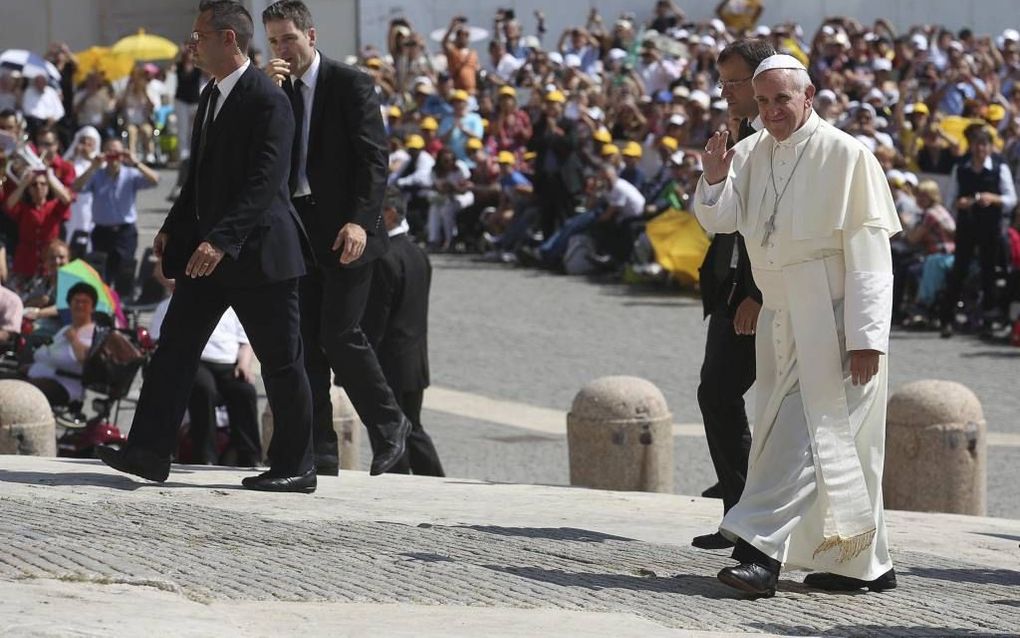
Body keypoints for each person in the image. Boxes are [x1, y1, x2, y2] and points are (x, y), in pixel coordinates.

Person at [694, 54, 900, 597]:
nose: (770, 112)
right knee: (834, 444)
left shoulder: (847, 155)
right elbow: (723, 220)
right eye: (761, 102)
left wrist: (866, 336)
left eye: (781, 99)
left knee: (799, 440)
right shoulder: (752, 151)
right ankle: (864, 564)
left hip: (829, 318)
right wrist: (714, 180)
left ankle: (758, 554)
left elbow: (871, 255)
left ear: (809, 96)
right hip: (779, 318)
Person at [98, 0, 317, 494]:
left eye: (199, 35)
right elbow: (197, 179)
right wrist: (173, 226)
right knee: (174, 348)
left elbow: (265, 182)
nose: (190, 44)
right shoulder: (210, 93)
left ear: (229, 40)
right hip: (208, 254)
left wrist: (222, 239)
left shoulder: (267, 97)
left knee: (282, 363)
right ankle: (147, 453)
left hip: (259, 255)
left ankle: (296, 466)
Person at [261, 0, 410, 477]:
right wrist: (264, 96)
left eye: (289, 38)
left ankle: (390, 427)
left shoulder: (350, 84)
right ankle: (319, 448)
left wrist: (360, 222)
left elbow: (374, 160)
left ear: (311, 35)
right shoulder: (273, 90)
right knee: (303, 342)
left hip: (348, 230)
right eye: (273, 41)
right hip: (297, 228)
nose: (282, 49)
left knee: (339, 334)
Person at [691, 39, 774, 552]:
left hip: (760, 293)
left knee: (745, 401)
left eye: (734, 82)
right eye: (721, 82)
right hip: (729, 287)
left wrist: (757, 294)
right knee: (715, 394)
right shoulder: (738, 131)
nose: (724, 92)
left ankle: (752, 519)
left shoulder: (780, 139)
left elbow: (774, 228)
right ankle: (738, 509)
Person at [362, 188, 444, 476]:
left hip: (389, 360)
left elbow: (376, 318)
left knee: (388, 429)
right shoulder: (418, 253)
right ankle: (433, 478)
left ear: (390, 214)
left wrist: (359, 361)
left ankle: (398, 480)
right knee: (413, 425)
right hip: (414, 357)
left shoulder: (384, 257)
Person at [150, 267, 260, 467]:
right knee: (204, 389)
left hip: (229, 364)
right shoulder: (169, 306)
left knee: (244, 391)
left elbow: (245, 341)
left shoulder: (231, 308)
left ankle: (250, 456)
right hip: (197, 362)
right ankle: (206, 455)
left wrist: (244, 363)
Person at [939, 124, 1017, 337]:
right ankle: (947, 317)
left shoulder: (999, 167)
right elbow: (949, 200)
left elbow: (1011, 199)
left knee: (988, 271)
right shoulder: (961, 167)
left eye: (984, 145)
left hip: (991, 227)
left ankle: (989, 319)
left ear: (990, 147)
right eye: (976, 145)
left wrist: (993, 199)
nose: (980, 149)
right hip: (967, 225)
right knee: (959, 270)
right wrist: (960, 203)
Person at [72, 138, 159, 298]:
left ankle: (123, 309)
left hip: (125, 233)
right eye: (110, 152)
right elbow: (75, 187)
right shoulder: (96, 175)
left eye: (117, 153)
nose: (114, 157)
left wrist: (136, 162)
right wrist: (93, 166)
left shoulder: (131, 174)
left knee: (124, 276)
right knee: (100, 275)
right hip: (101, 232)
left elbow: (155, 180)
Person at [26, 282, 96, 406]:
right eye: (76, 301)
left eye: (85, 302)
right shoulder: (65, 329)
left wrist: (74, 339)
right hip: (38, 375)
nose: (80, 305)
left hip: (65, 385)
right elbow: (48, 346)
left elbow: (84, 360)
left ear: (92, 307)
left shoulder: (93, 332)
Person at [4, 167, 73, 280]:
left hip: (50, 262)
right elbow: (9, 205)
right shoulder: (24, 208)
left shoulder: (53, 206)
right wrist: (24, 183)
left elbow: (66, 199)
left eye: (43, 184)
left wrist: (51, 178)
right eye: (34, 185)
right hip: (26, 262)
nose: (39, 187)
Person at [63, 126, 102, 251]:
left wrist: (91, 161)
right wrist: (75, 155)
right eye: (83, 141)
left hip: (91, 205)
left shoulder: (101, 162)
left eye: (90, 141)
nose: (86, 144)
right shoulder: (71, 161)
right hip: (73, 206)